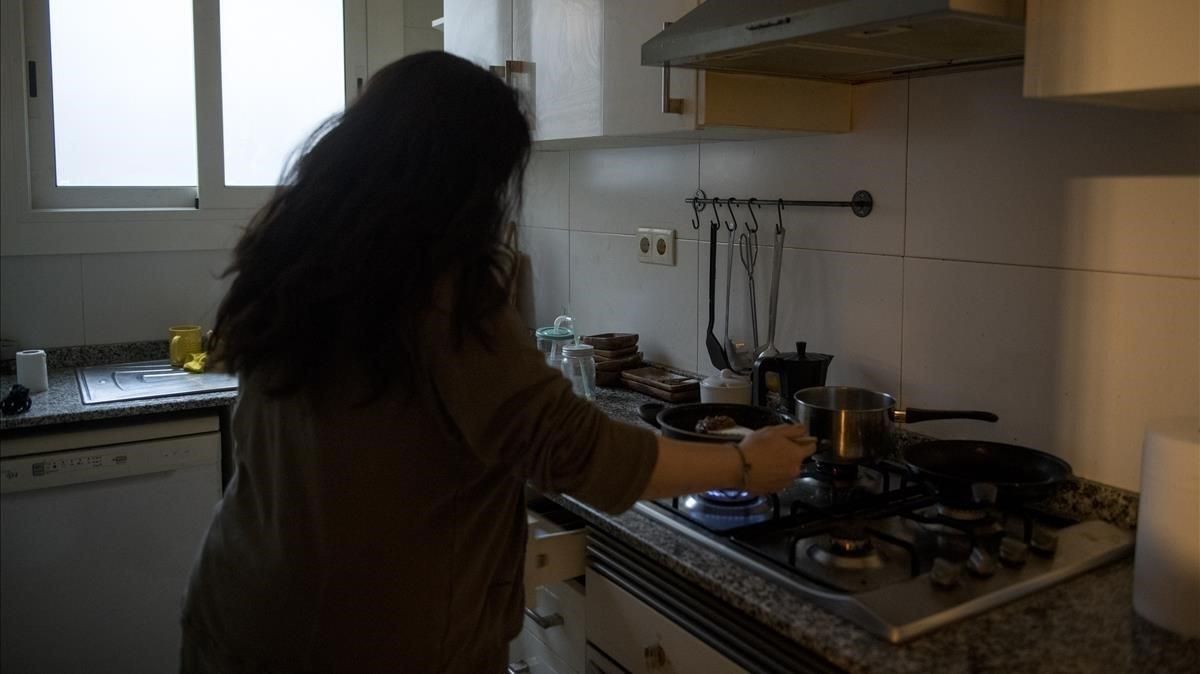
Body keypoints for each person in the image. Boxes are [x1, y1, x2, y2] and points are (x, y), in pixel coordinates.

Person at [180, 51, 814, 673]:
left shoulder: (294, 257)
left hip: (237, 615)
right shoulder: (439, 290)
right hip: (368, 642)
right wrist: (742, 462)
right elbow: (576, 452)